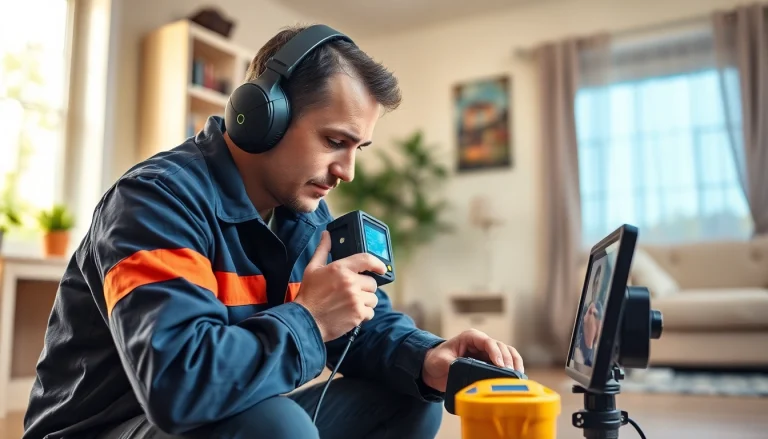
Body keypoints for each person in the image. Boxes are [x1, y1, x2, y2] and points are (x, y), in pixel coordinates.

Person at [21, 24, 524, 439]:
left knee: (409, 400)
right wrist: (309, 316)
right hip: (105, 429)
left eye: (358, 148)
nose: (347, 170)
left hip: (187, 421)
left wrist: (427, 358)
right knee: (276, 427)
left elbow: (363, 323)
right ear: (262, 117)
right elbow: (178, 383)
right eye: (334, 141)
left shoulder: (304, 217)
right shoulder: (156, 201)